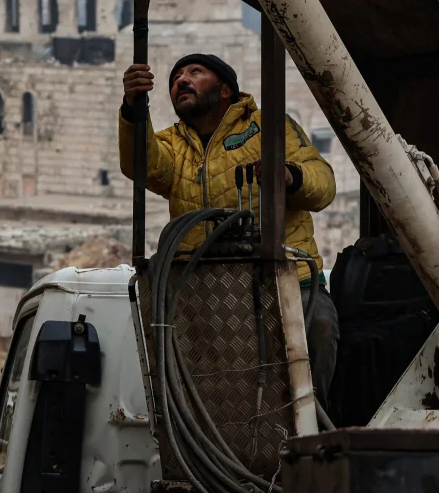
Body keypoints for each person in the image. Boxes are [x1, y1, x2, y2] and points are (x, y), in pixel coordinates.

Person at [119, 54, 339, 405]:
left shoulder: (269, 127)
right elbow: (143, 166)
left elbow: (323, 185)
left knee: (318, 330)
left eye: (195, 72)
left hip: (286, 280)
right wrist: (134, 108)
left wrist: (290, 176)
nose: (181, 80)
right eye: (175, 78)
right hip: (210, 289)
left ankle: (318, 423)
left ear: (224, 90)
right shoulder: (172, 145)